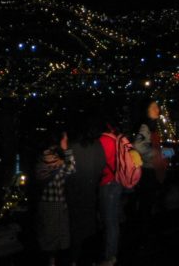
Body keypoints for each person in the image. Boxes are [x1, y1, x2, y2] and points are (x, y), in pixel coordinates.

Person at [64, 110, 106, 266]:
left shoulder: (72, 148)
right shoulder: (97, 145)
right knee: (90, 228)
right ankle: (90, 259)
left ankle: (75, 260)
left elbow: (68, 172)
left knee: (75, 231)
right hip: (90, 192)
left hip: (74, 195)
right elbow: (102, 166)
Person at [33, 128, 76, 266]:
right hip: (55, 203)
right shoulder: (54, 158)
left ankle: (51, 262)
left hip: (47, 202)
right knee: (57, 239)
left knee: (49, 238)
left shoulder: (42, 157)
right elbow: (71, 169)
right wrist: (66, 149)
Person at [130, 98, 169, 235]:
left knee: (149, 204)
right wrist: (157, 153)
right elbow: (138, 146)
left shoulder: (154, 126)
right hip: (149, 172)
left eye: (157, 107)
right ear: (146, 111)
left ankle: (145, 232)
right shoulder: (146, 126)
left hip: (154, 170)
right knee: (147, 204)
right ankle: (144, 234)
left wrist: (166, 153)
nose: (157, 110)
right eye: (154, 108)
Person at [97, 119, 124, 266]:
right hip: (118, 182)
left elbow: (100, 165)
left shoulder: (103, 141)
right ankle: (112, 254)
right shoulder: (118, 139)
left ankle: (109, 257)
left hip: (107, 183)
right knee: (113, 221)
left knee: (109, 222)